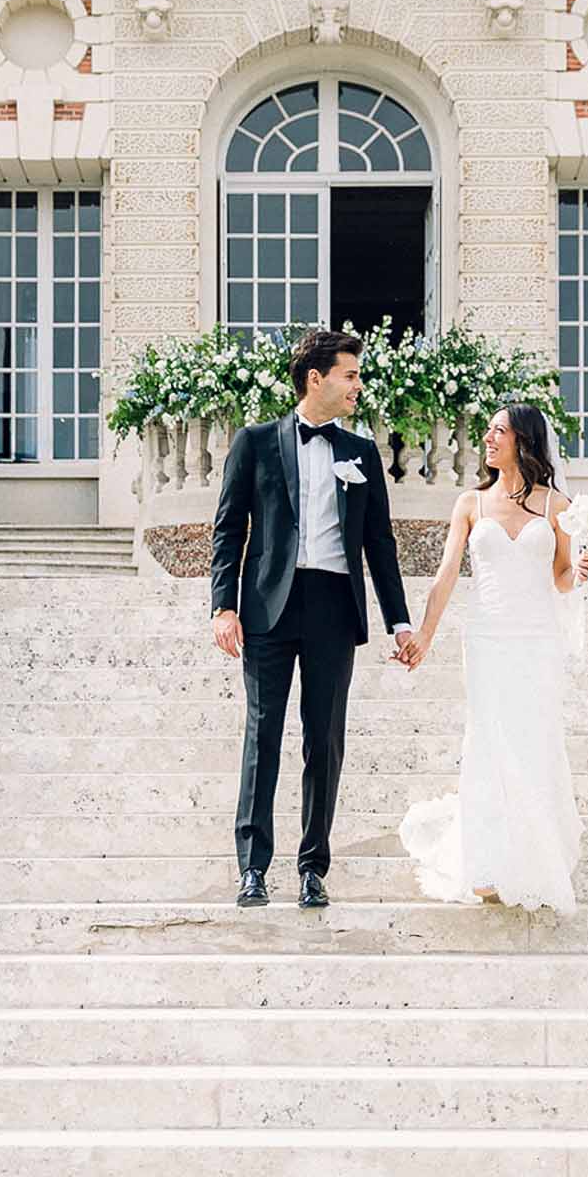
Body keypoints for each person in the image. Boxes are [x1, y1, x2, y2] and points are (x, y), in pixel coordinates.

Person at [211, 326, 415, 910]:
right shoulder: (254, 443)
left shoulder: (362, 452)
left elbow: (380, 544)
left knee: (324, 741)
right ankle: (252, 867)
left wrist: (400, 621)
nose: (359, 385)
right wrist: (224, 606)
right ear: (316, 378)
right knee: (263, 737)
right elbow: (229, 531)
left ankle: (312, 867)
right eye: (350, 375)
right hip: (268, 609)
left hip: (333, 606)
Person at [397, 404, 588, 914]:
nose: (487, 438)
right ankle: (485, 862)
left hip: (536, 639)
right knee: (489, 737)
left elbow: (561, 578)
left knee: (533, 738)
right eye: (488, 430)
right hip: (486, 638)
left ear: (523, 441)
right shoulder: (471, 503)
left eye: (497, 431)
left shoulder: (557, 505)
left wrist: (581, 571)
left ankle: (533, 859)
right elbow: (445, 577)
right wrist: (424, 634)